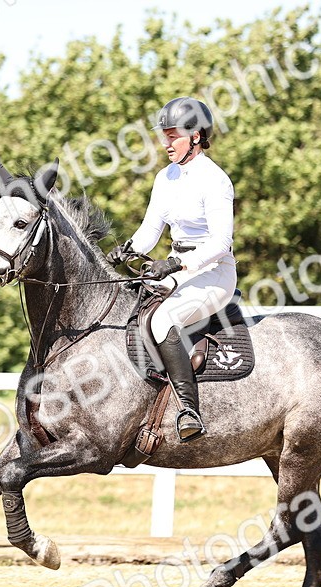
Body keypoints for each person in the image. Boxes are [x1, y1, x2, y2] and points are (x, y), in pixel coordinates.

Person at [107, 97, 237, 442]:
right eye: (164, 136)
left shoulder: (216, 180)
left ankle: (188, 409)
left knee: (164, 320)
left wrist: (176, 263)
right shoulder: (166, 177)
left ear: (196, 135)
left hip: (214, 271)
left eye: (173, 136)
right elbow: (151, 231)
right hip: (177, 269)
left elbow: (221, 242)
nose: (166, 144)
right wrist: (126, 250)